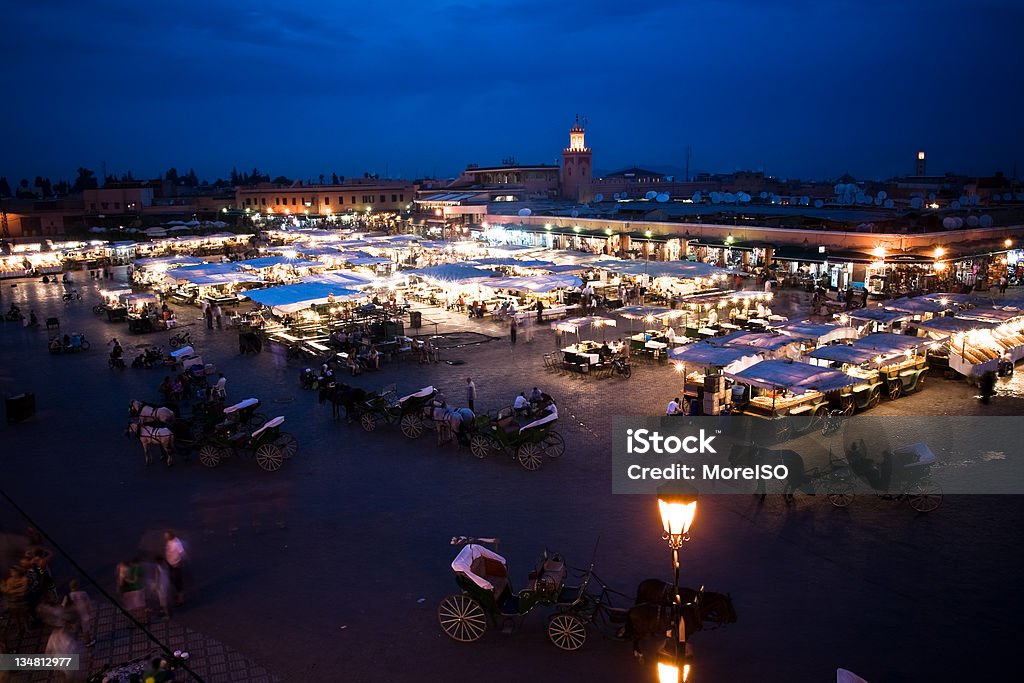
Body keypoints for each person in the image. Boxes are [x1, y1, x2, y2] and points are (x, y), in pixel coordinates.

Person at [63, 579, 95, 647]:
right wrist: (90, 612)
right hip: (83, 614)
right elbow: (88, 604)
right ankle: (88, 642)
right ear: (77, 586)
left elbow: (63, 606)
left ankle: (75, 643)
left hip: (74, 617)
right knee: (85, 629)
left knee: (79, 629)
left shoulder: (68, 596)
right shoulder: (83, 593)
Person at [164, 531, 186, 606]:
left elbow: (182, 553)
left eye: (166, 536)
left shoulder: (177, 543)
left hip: (176, 564)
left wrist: (180, 563)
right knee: (172, 579)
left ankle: (181, 597)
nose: (165, 537)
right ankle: (177, 593)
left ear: (170, 536)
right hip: (170, 563)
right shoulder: (169, 541)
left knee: (177, 580)